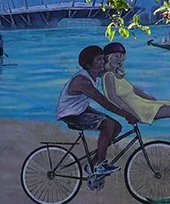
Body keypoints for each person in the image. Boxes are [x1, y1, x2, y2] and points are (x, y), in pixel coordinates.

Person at [56, 45, 136, 188]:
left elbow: (113, 69)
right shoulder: (83, 81)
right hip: (71, 114)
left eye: (103, 59)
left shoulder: (94, 73)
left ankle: (91, 166)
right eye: (99, 59)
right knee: (108, 125)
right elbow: (104, 102)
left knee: (116, 126)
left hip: (81, 109)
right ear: (88, 64)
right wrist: (125, 113)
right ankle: (101, 165)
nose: (102, 62)